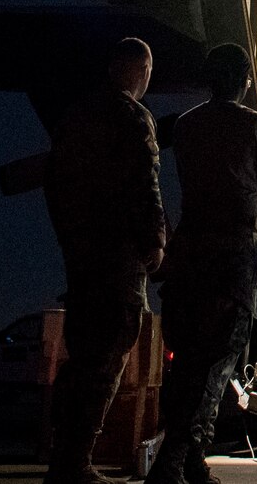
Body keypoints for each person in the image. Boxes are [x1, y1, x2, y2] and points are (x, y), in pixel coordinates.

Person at [150, 44, 257, 484]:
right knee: (217, 359)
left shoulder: (187, 125)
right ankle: (174, 460)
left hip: (189, 252)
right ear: (244, 81)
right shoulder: (251, 124)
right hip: (232, 257)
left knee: (187, 360)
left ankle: (191, 461)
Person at [42, 37, 167, 484]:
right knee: (108, 355)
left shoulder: (76, 115)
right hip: (118, 259)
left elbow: (53, 182)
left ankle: (64, 458)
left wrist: (71, 238)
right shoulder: (132, 116)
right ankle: (75, 463)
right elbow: (145, 183)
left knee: (81, 358)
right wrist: (155, 240)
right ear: (142, 69)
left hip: (81, 256)